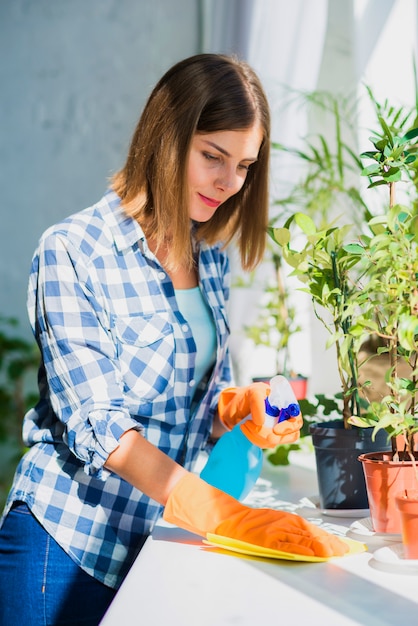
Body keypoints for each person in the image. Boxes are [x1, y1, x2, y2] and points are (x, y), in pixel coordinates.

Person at [0, 53, 347, 626]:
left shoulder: (208, 256)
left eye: (244, 166)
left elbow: (186, 406)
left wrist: (238, 407)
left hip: (155, 545)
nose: (229, 182)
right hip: (67, 547)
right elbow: (99, 424)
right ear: (167, 135)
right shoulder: (72, 250)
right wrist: (216, 512)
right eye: (213, 156)